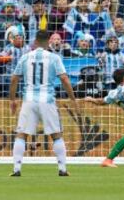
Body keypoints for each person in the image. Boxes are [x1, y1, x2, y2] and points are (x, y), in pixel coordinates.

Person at [9, 30, 80, 177]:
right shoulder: (54, 58)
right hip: (47, 100)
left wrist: (12, 100)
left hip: (28, 100)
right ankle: (62, 169)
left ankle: (16, 169)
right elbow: (65, 79)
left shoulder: (25, 57)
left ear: (35, 41)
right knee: (56, 135)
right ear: (49, 41)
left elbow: (14, 79)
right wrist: (73, 99)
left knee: (22, 135)